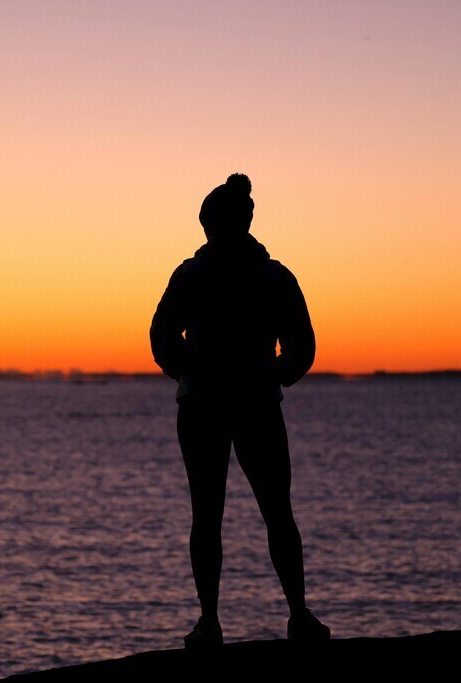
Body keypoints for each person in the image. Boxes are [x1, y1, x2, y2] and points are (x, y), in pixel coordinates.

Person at [150, 173, 331, 650]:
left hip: (224, 405)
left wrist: (196, 372)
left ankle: (233, 620)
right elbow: (163, 338)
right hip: (239, 404)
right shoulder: (261, 276)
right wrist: (270, 373)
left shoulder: (211, 276)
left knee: (230, 515)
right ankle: (270, 617)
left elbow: (162, 338)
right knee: (257, 514)